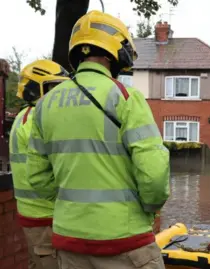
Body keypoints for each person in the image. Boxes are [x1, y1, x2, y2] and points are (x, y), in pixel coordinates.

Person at [26, 10, 170, 269]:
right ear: (114, 49)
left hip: (69, 243)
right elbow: (155, 174)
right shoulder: (125, 96)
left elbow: (38, 178)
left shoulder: (44, 105)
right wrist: (147, 208)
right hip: (126, 241)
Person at [10, 59, 69, 269]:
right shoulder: (40, 119)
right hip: (46, 214)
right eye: (54, 88)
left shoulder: (23, 117)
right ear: (35, 90)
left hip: (34, 214)